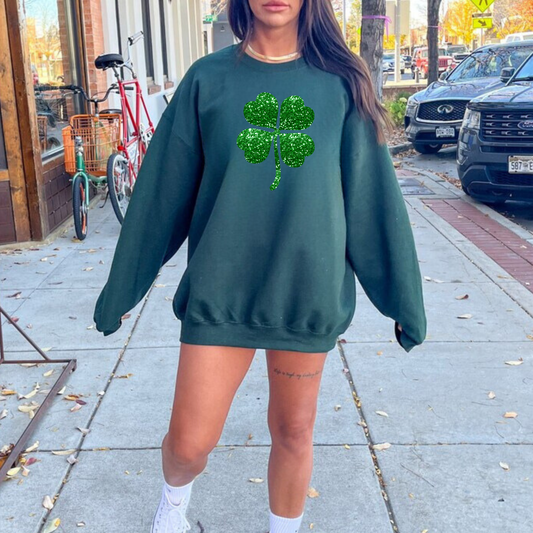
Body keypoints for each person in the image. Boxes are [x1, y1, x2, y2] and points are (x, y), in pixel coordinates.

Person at [93, 0, 427, 531]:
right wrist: (121, 290)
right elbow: (161, 193)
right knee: (188, 444)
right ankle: (173, 509)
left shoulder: (341, 84)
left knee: (293, 432)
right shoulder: (207, 80)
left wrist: (403, 299)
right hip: (221, 289)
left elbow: (371, 196)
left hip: (304, 292)